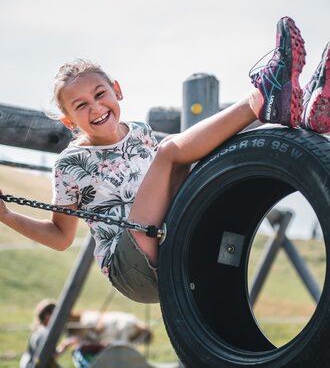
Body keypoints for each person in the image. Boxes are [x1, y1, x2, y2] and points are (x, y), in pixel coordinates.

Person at [1, 17, 329, 304]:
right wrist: (7, 215)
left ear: (117, 90)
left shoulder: (140, 132)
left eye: (100, 94)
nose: (96, 108)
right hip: (132, 267)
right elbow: (61, 237)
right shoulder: (70, 164)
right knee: (171, 150)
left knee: (196, 161)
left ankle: (297, 114)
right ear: (70, 121)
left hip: (166, 238)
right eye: (81, 105)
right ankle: (261, 97)